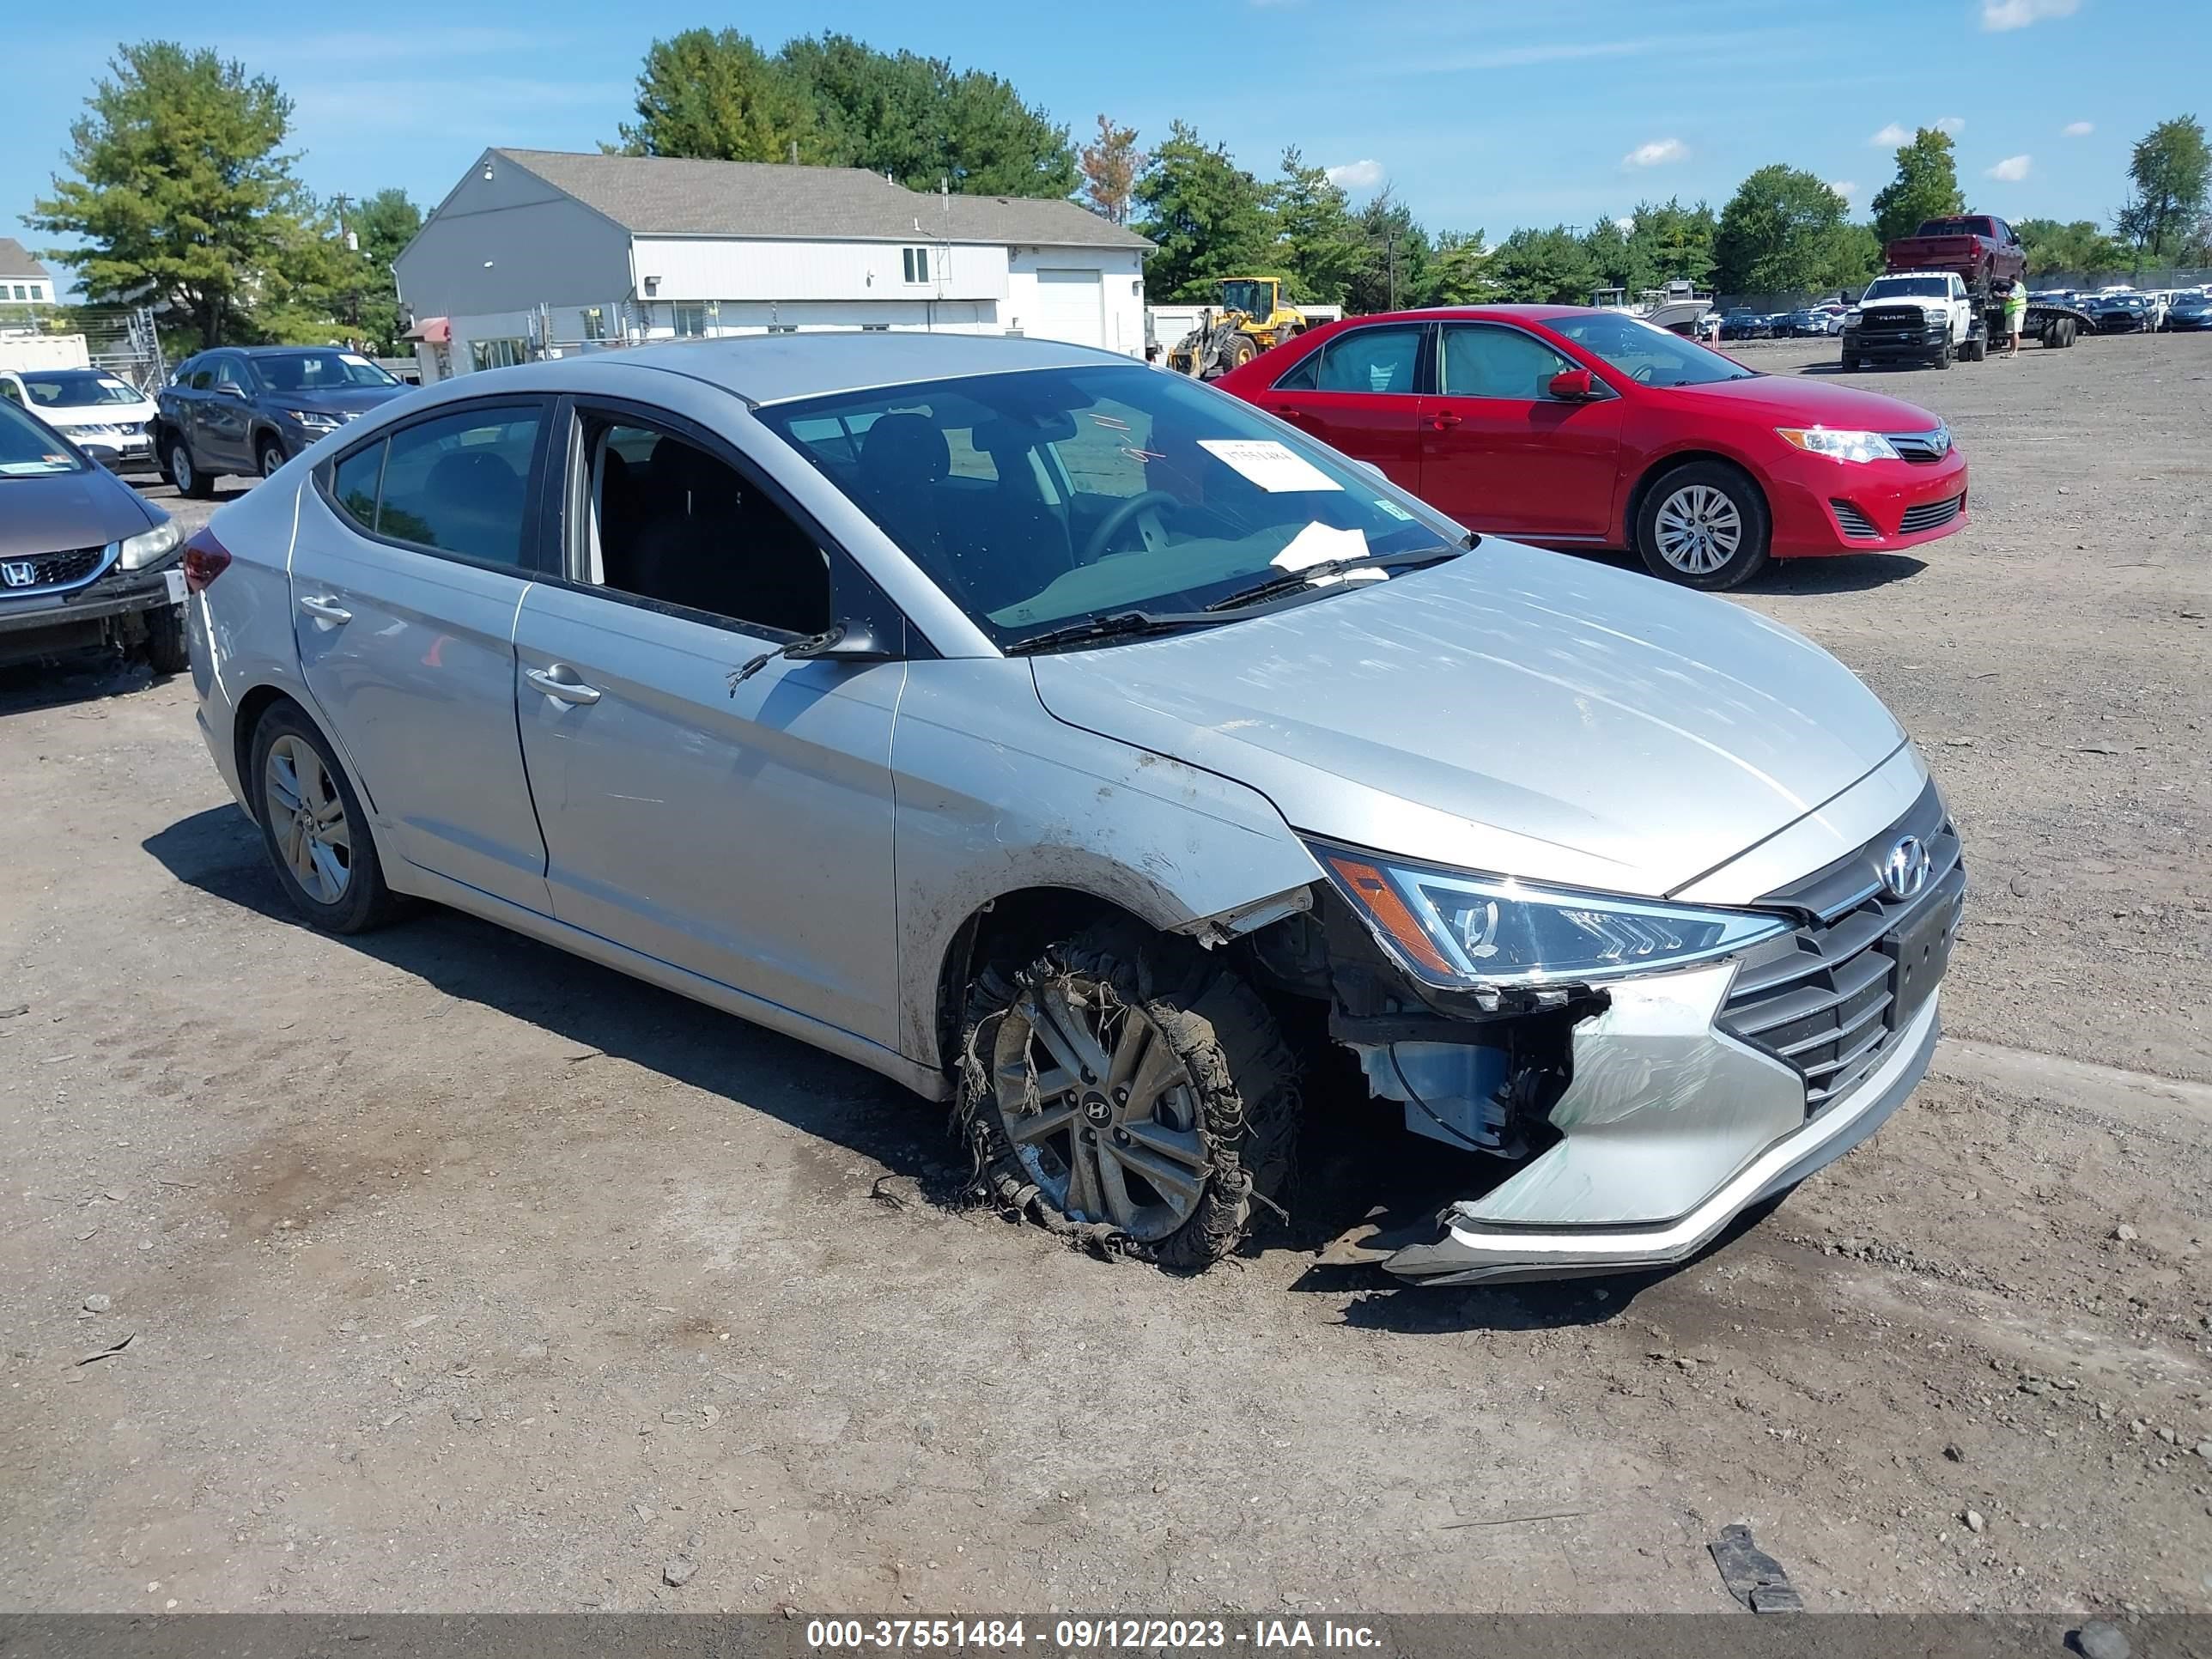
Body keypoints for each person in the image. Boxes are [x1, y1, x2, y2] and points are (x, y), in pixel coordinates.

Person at [2005, 276, 2029, 357]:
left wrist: (1999, 296)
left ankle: (2015, 352)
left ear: (2014, 279)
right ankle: (2011, 352)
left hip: (2017, 311)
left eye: (2010, 280)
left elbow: (2010, 298)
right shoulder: (2016, 287)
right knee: (2012, 333)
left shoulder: (2018, 287)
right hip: (2012, 311)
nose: (2009, 281)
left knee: (2015, 332)